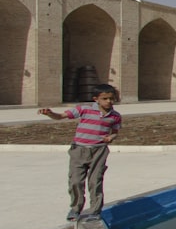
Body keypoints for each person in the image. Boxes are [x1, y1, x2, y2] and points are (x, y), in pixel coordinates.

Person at [38, 83, 122, 221]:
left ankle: (95, 211)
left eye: (111, 98)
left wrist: (110, 138)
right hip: (79, 150)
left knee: (95, 182)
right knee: (76, 181)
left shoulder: (115, 116)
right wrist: (50, 113)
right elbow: (60, 116)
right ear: (96, 99)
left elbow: (115, 132)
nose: (109, 101)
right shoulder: (84, 109)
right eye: (105, 98)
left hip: (99, 151)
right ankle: (76, 208)